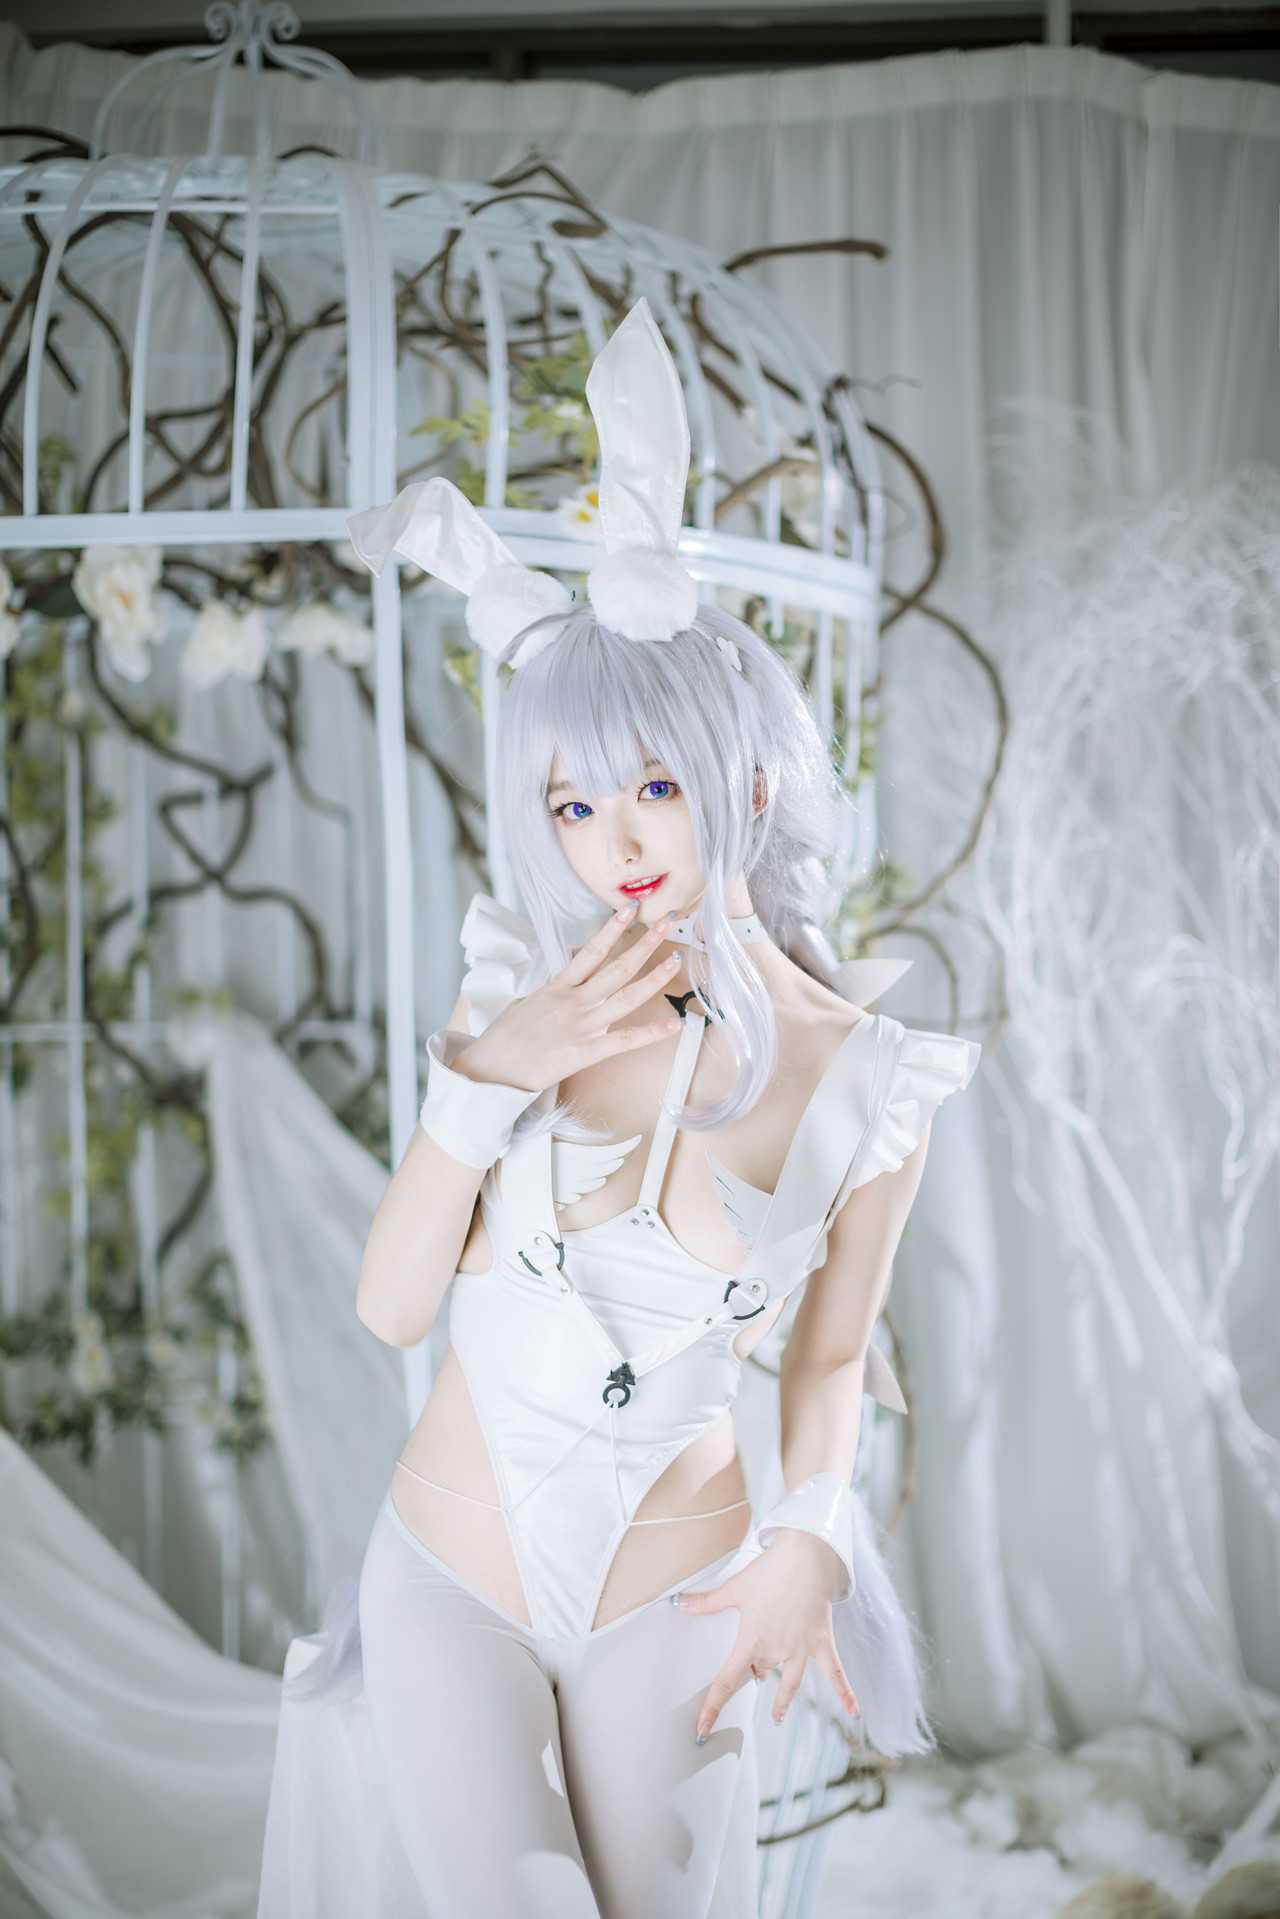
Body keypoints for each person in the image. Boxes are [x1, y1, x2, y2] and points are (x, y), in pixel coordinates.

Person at [295, 298, 981, 1918]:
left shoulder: (873, 1077)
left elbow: (829, 1357)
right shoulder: (517, 996)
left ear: (747, 781)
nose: (612, 841)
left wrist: (812, 1537)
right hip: (450, 1569)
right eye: (571, 801)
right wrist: (489, 1075)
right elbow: (392, 1307)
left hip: (679, 1580)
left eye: (654, 785)